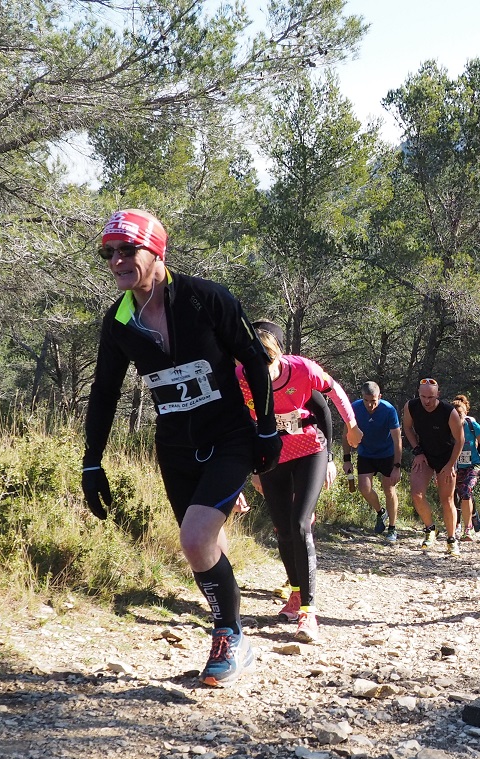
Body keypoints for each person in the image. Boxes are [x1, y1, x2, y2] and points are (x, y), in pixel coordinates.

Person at [82, 208, 280, 687]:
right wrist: (92, 461)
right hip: (175, 448)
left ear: (156, 251)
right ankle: (235, 633)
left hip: (230, 437)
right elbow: (104, 392)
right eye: (109, 253)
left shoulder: (205, 298)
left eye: (127, 250)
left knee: (193, 541)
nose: (116, 260)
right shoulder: (119, 323)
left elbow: (253, 358)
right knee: (208, 542)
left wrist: (267, 427)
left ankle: (229, 635)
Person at [237, 321, 362, 644]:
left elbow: (332, 391)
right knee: (282, 528)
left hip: (310, 450)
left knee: (300, 523)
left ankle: (308, 612)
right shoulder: (240, 378)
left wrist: (351, 425)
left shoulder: (302, 369)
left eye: (265, 365)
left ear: (278, 356)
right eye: (252, 366)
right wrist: (243, 477)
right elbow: (236, 429)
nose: (259, 373)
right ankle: (294, 594)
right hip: (272, 457)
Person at [402, 378, 464, 555]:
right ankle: (430, 529)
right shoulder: (411, 406)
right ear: (418, 394)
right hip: (425, 455)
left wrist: (451, 465)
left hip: (447, 457)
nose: (426, 401)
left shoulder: (448, 412)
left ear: (438, 394)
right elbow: (407, 429)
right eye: (423, 396)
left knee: (447, 499)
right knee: (417, 494)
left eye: (430, 397)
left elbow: (460, 440)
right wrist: (417, 451)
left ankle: (451, 540)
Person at [344, 381, 403, 543]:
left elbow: (397, 440)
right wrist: (347, 459)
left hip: (387, 454)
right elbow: (346, 433)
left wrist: (397, 466)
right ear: (362, 398)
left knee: (388, 488)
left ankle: (392, 528)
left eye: (374, 401)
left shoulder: (389, 410)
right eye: (366, 400)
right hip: (366, 453)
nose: (370, 404)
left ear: (380, 397)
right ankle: (380, 512)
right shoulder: (355, 408)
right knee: (364, 488)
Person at [450, 394, 480, 541]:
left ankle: (468, 529)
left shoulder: (472, 426)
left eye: (461, 414)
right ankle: (466, 518)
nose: (458, 417)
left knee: (465, 491)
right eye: (455, 414)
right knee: (454, 495)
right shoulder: (448, 427)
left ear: (466, 414)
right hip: (456, 465)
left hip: (473, 465)